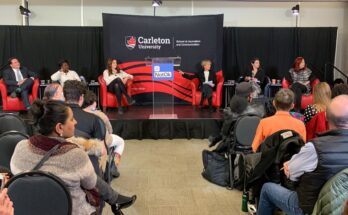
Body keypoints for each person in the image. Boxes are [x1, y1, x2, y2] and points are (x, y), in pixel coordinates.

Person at [10, 100, 136, 215]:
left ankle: (114, 199)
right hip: (71, 210)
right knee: (87, 176)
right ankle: (114, 199)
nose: (75, 122)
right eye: (71, 119)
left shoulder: (20, 147)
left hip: (29, 209)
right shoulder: (75, 154)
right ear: (60, 127)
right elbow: (91, 183)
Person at [257, 95, 348, 215]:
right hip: (342, 208)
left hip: (310, 208)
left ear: (325, 116)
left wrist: (289, 167)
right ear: (292, 105)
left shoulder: (315, 148)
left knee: (267, 189)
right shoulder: (301, 128)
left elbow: (292, 175)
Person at [82, 90, 125, 177]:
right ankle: (114, 166)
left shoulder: (78, 113)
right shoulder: (101, 115)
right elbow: (110, 130)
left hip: (84, 142)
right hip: (101, 143)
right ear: (94, 103)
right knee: (121, 142)